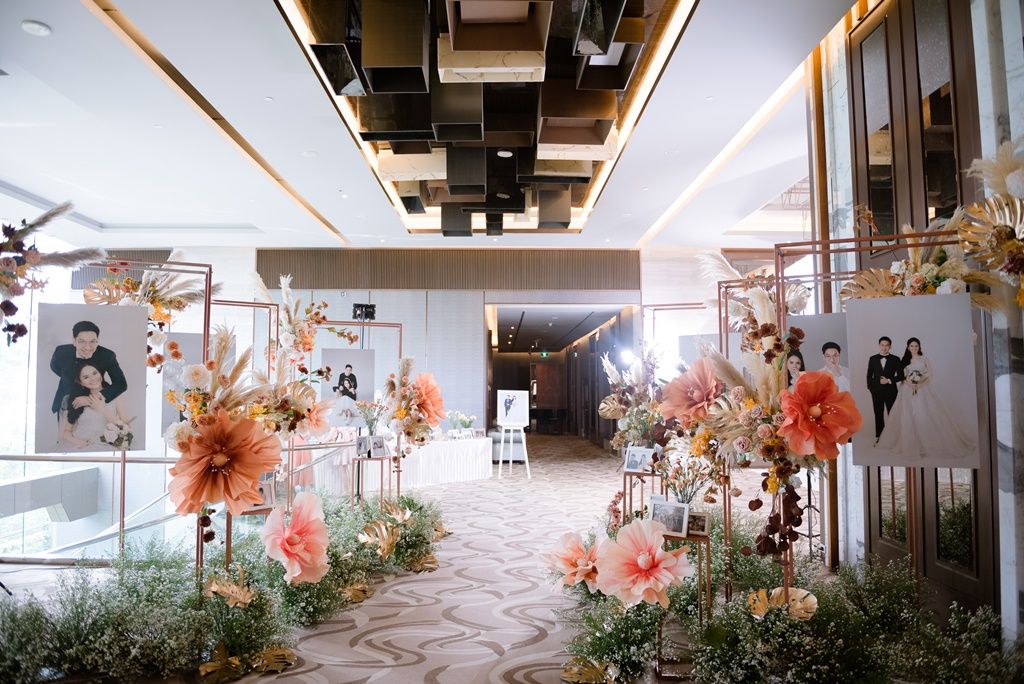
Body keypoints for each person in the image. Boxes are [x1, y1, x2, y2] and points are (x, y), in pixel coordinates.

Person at [877, 337, 974, 458]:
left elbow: (930, 375)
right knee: (907, 415)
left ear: (919, 347)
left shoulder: (924, 359)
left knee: (923, 413)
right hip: (907, 390)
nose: (914, 348)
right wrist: (910, 384)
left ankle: (926, 443)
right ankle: (910, 443)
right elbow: (901, 376)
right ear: (908, 347)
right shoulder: (905, 360)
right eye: (912, 346)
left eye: (916, 346)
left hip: (923, 389)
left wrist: (919, 385)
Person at [50, 320, 127, 417]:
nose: (87, 347)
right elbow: (55, 367)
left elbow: (121, 383)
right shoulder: (61, 352)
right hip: (67, 400)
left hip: (98, 400)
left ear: (98, 341)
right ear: (74, 341)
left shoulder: (107, 355)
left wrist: (93, 398)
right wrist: (72, 379)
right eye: (82, 341)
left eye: (92, 341)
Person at [60, 360, 132, 450]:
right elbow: (66, 431)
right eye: (86, 377)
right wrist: (80, 442)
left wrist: (102, 409)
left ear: (100, 373)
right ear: (80, 382)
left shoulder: (117, 396)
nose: (93, 378)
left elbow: (126, 428)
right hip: (80, 444)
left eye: (95, 373)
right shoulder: (79, 400)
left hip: (106, 446)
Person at [866, 336, 904, 443]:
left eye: (886, 345)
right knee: (878, 414)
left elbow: (901, 376)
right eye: (882, 345)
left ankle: (894, 438)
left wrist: (889, 380)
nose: (884, 347)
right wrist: (871, 388)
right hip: (876, 391)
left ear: (890, 346)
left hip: (891, 391)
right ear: (879, 345)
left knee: (892, 415)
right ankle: (879, 437)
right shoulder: (873, 359)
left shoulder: (896, 359)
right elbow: (869, 375)